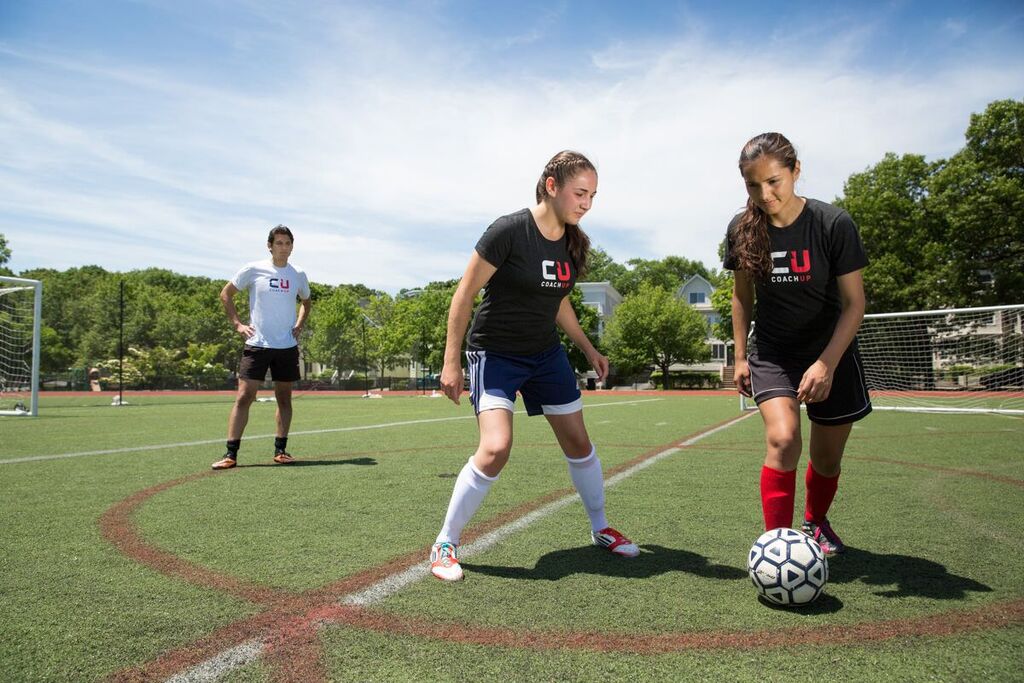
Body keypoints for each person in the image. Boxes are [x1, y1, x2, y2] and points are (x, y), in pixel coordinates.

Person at [429, 150, 640, 581]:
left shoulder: (572, 242)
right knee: (495, 448)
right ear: (551, 186)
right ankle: (445, 543)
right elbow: (463, 295)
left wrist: (587, 348)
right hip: (495, 354)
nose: (587, 204)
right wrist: (452, 362)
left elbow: (558, 300)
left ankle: (600, 529)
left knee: (579, 444)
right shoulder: (508, 231)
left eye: (593, 196)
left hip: (545, 355)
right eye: (580, 193)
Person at [724, 133, 871, 555]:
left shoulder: (832, 223)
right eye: (753, 185)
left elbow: (855, 304)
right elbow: (741, 296)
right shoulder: (741, 229)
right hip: (773, 352)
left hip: (832, 352)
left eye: (774, 181)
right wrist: (739, 357)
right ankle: (776, 545)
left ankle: (815, 523)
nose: (765, 194)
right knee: (784, 438)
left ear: (796, 172)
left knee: (826, 460)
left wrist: (826, 364)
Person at [211, 225, 312, 470]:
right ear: (270, 245)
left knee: (284, 399)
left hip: (286, 347)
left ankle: (281, 450)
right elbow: (226, 295)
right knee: (244, 396)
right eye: (279, 243)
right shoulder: (253, 269)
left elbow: (306, 302)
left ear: (292, 247)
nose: (283, 247)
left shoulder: (297, 274)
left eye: (287, 243)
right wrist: (237, 324)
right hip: (257, 344)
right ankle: (230, 454)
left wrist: (299, 325)